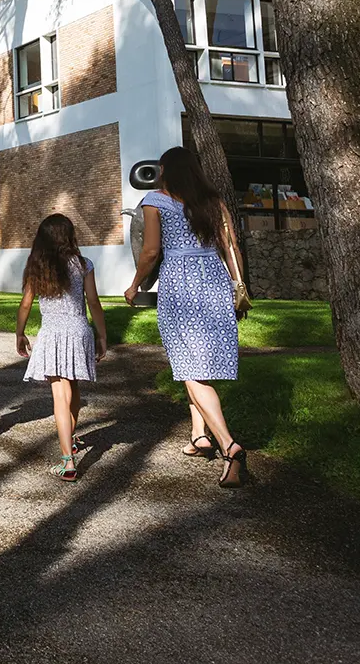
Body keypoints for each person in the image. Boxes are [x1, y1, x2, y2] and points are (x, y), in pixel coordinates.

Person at [124, 146, 250, 487]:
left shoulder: (156, 200)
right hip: (215, 280)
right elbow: (232, 247)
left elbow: (150, 250)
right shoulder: (213, 200)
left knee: (191, 369)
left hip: (180, 283)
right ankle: (199, 436)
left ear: (165, 170)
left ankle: (229, 445)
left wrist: (135, 284)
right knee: (193, 364)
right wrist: (239, 286)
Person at [15, 214, 109, 483]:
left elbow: (25, 304)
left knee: (60, 394)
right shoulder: (83, 264)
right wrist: (102, 335)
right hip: (79, 330)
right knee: (73, 388)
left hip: (53, 333)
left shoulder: (38, 266)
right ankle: (72, 438)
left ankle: (68, 461)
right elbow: (93, 301)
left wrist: (20, 332)